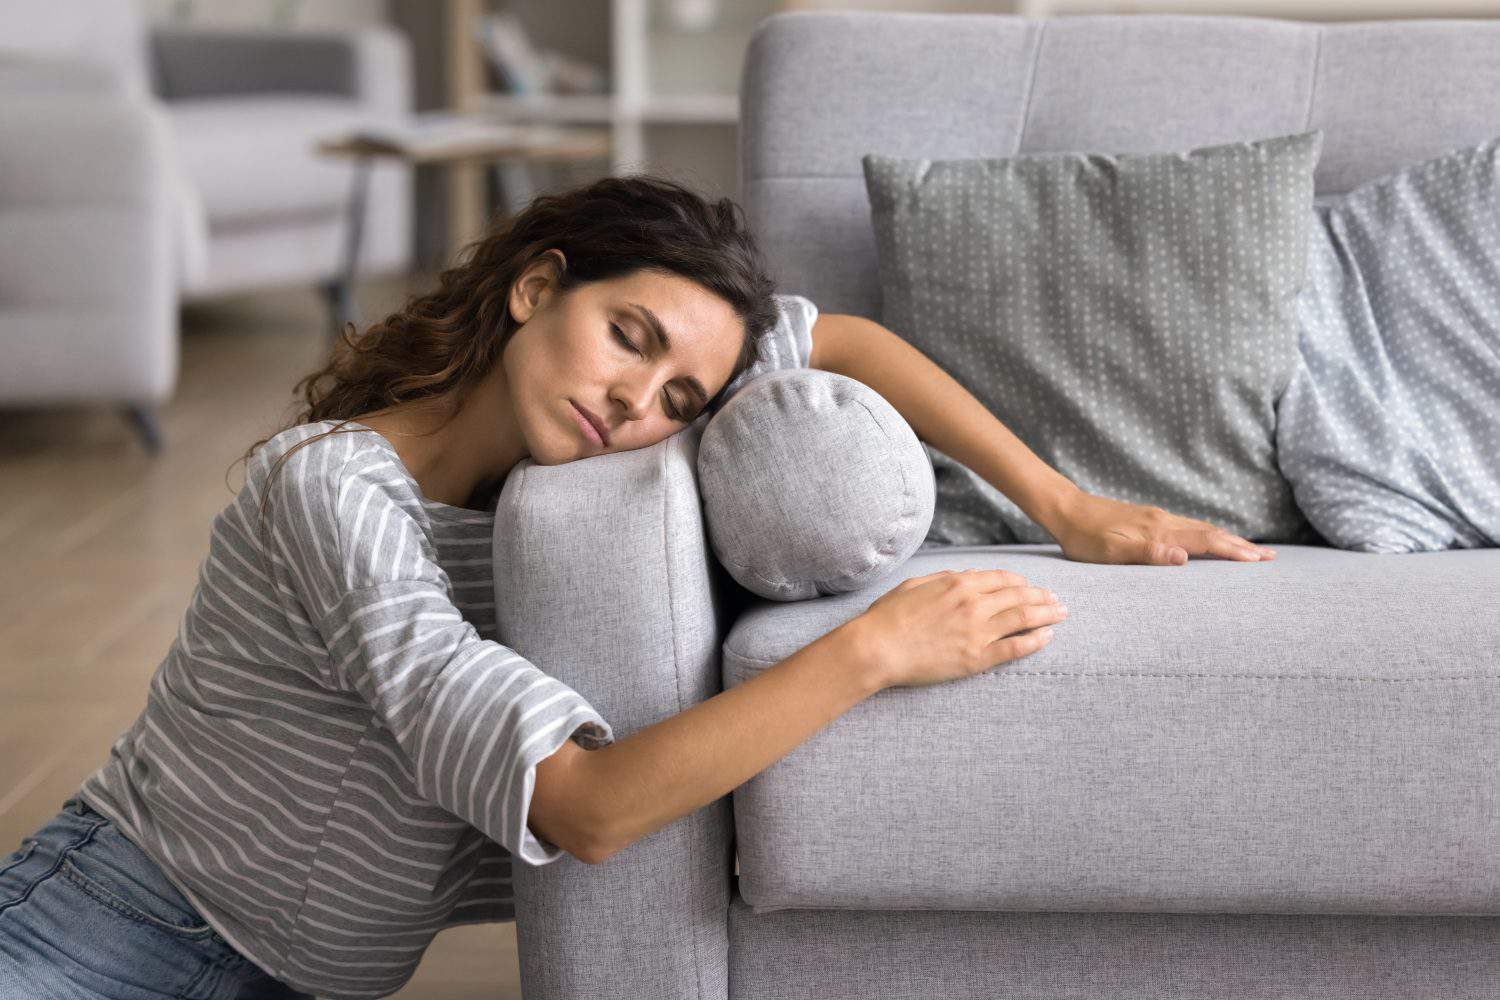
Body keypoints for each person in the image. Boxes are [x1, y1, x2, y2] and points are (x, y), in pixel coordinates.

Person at [0, 173, 1075, 999]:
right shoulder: (335, 490)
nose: (635, 400)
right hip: (108, 922)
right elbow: (585, 810)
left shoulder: (599, 444)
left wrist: (1065, 508)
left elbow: (839, 337)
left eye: (679, 395)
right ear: (534, 288)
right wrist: (872, 652)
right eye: (627, 336)